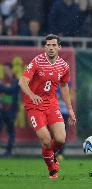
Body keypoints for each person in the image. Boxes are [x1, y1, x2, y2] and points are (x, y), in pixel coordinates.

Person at [18, 34, 76, 179]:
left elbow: (64, 86)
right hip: (34, 105)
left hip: (52, 104)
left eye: (53, 45)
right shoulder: (37, 61)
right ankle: (52, 167)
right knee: (45, 139)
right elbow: (22, 81)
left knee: (61, 139)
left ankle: (48, 153)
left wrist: (70, 109)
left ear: (59, 47)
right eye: (48, 45)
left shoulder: (64, 66)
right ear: (45, 47)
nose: (51, 48)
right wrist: (32, 95)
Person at [0, 64, 19, 157]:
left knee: (10, 131)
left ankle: (9, 151)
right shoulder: (3, 81)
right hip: (2, 109)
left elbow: (11, 90)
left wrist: (1, 87)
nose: (5, 71)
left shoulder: (16, 81)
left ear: (11, 70)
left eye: (6, 69)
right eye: (4, 70)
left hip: (12, 110)